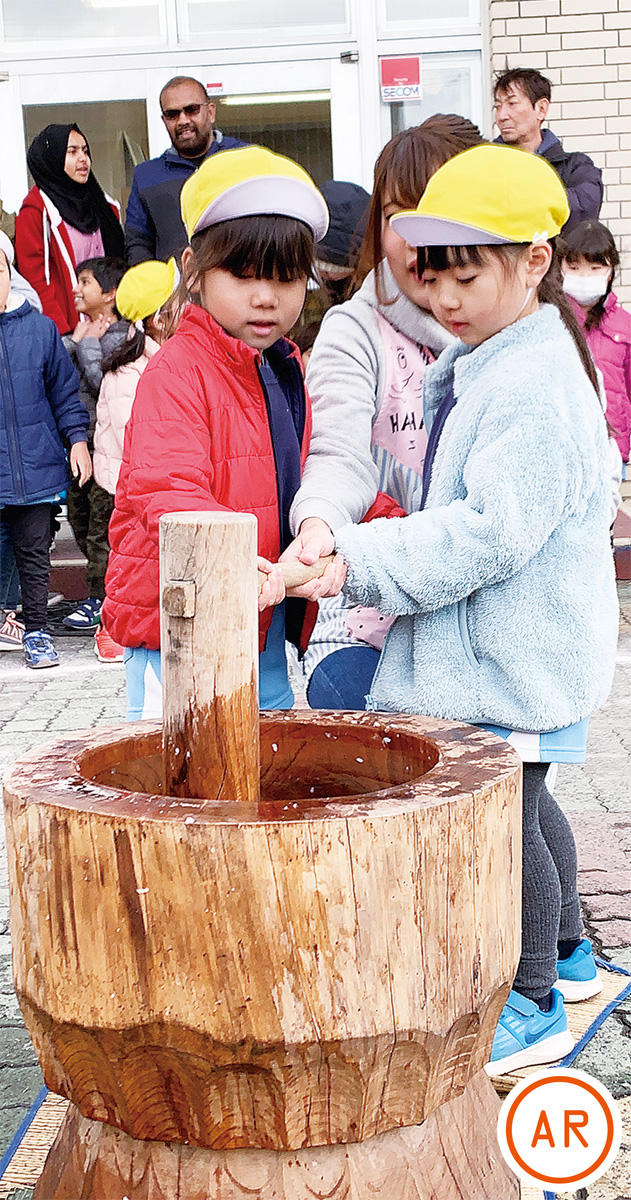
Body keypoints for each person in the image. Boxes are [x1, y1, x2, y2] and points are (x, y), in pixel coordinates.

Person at [282, 144, 619, 1073]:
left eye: (467, 277)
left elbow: (487, 534)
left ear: (535, 262)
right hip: (515, 647)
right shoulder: (505, 356)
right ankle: (570, 956)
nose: (446, 302)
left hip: (510, 655)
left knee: (502, 823)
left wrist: (354, 557)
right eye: (433, 281)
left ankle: (530, 999)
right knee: (527, 799)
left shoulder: (531, 381)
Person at [101, 145, 329, 719]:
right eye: (244, 274)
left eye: (285, 277)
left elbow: (300, 475)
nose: (265, 296)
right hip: (178, 627)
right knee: (180, 784)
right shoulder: (177, 368)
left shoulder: (283, 366)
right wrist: (242, 553)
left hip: (259, 619)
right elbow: (166, 488)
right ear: (195, 270)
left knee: (258, 773)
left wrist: (365, 523)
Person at [289, 116, 483, 707]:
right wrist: (318, 526)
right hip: (363, 627)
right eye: (399, 214)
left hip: (486, 633)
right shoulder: (354, 329)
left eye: (438, 210)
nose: (419, 239)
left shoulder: (510, 337)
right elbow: (337, 455)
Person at [0, 232, 91, 668]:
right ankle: (6, 619)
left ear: (9, 273)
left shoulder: (40, 329)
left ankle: (36, 630)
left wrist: (77, 441)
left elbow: (64, 394)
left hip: (37, 467)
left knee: (34, 554)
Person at [91, 257, 180, 663]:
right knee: (130, 565)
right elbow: (140, 446)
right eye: (179, 301)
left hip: (137, 489)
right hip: (125, 489)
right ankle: (110, 627)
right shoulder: (135, 374)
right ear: (158, 319)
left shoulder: (151, 361)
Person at [61, 256, 128, 631]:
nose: (77, 289)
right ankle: (103, 592)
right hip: (77, 445)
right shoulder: (83, 333)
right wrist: (75, 342)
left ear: (110, 293)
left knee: (102, 527)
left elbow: (105, 384)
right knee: (79, 518)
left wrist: (85, 347)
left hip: (107, 451)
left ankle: (99, 599)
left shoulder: (121, 336)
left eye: (85, 282)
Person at [15, 124, 125, 335]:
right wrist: (62, 334)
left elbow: (118, 266)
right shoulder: (36, 211)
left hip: (113, 327)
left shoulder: (105, 206)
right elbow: (37, 281)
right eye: (72, 152)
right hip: (70, 332)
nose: (83, 158)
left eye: (85, 150)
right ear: (52, 159)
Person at [125, 77, 247, 265]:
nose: (183, 120)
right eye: (172, 114)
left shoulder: (245, 158)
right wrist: (157, 286)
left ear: (211, 112)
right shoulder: (146, 176)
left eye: (192, 110)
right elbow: (138, 244)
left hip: (239, 285)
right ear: (164, 121)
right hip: (176, 291)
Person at [559, 219, 631, 468]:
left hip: (611, 448)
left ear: (611, 271)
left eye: (595, 267)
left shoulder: (625, 325)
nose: (584, 276)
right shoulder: (551, 319)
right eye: (574, 266)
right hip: (563, 447)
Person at [494, 67, 603, 230]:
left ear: (541, 109)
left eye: (512, 103)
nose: (502, 116)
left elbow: (584, 213)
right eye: (497, 106)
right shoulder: (487, 163)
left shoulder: (576, 166)